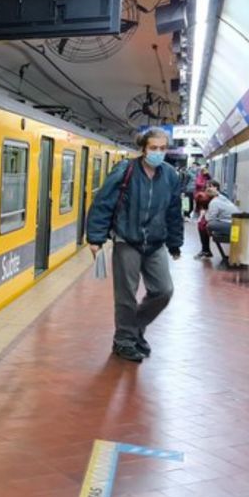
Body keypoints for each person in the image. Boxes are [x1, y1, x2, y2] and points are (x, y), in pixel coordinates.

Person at [86, 128, 184, 362]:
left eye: (162, 148)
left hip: (156, 242)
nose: (158, 152)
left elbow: (174, 211)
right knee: (126, 295)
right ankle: (124, 341)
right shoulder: (125, 170)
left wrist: (175, 243)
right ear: (143, 148)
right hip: (127, 239)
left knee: (164, 291)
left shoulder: (170, 175)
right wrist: (96, 238)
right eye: (153, 148)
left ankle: (134, 328)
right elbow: (103, 203)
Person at [204, 180, 239, 265]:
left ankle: (206, 247)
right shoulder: (222, 197)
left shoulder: (214, 202)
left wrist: (205, 215)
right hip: (235, 223)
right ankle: (206, 248)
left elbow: (210, 219)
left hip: (232, 226)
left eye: (210, 187)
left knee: (209, 225)